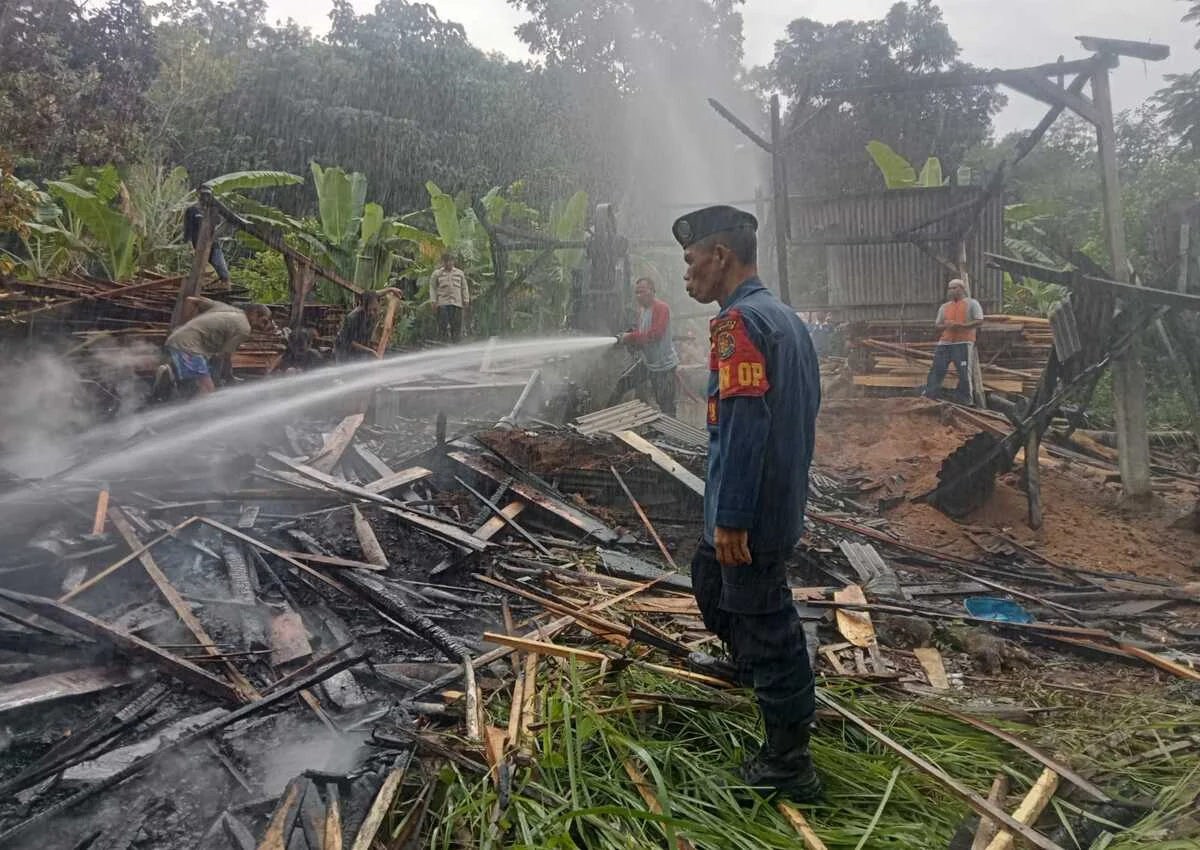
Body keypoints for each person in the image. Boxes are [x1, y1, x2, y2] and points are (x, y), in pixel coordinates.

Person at [673, 205, 822, 803]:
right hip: (777, 496)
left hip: (752, 509)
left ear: (720, 257)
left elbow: (742, 425)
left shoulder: (737, 325)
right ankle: (748, 665)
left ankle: (788, 763)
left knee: (767, 623)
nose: (686, 276)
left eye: (690, 262)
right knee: (708, 575)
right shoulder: (784, 317)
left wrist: (733, 515)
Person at [155, 297, 274, 396]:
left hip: (174, 340)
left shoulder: (225, 308)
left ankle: (170, 374)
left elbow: (191, 300)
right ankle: (192, 421)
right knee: (207, 389)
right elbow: (223, 356)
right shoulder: (244, 329)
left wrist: (183, 326)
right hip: (188, 349)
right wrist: (228, 377)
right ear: (254, 314)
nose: (264, 326)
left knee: (191, 385)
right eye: (264, 321)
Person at [607, 277, 680, 416]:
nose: (638, 296)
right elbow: (643, 336)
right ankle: (605, 418)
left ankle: (669, 435)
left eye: (642, 292)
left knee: (666, 404)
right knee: (622, 383)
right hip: (648, 363)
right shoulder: (642, 310)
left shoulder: (661, 308)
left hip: (664, 366)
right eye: (636, 292)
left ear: (652, 291)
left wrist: (629, 337)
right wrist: (633, 343)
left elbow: (655, 334)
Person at [922, 278, 983, 405]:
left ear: (962, 289)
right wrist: (946, 326)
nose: (951, 291)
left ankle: (965, 401)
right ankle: (929, 396)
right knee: (937, 369)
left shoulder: (972, 303)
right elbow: (937, 325)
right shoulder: (944, 307)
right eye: (950, 288)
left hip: (963, 343)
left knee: (963, 371)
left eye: (954, 288)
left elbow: (979, 320)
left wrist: (961, 326)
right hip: (945, 343)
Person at [335, 288, 403, 363]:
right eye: (370, 310)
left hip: (360, 347)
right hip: (344, 350)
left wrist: (391, 289)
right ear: (364, 307)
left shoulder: (372, 300)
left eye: (375, 309)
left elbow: (375, 293)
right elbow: (350, 342)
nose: (373, 313)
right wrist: (370, 351)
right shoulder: (352, 318)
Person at [183, 202, 231, 288]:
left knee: (221, 268)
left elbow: (217, 224)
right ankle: (200, 288)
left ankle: (224, 285)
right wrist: (190, 246)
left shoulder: (211, 210)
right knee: (199, 270)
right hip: (198, 245)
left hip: (213, 244)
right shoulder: (192, 210)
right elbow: (188, 230)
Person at [429, 253, 470, 342]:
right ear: (443, 262)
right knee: (442, 326)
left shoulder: (459, 273)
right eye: (446, 261)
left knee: (456, 326)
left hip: (457, 303)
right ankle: (442, 344)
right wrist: (433, 301)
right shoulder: (437, 274)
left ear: (453, 261)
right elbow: (432, 288)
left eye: (451, 261)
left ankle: (456, 344)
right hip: (443, 303)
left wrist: (466, 299)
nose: (449, 263)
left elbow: (464, 287)